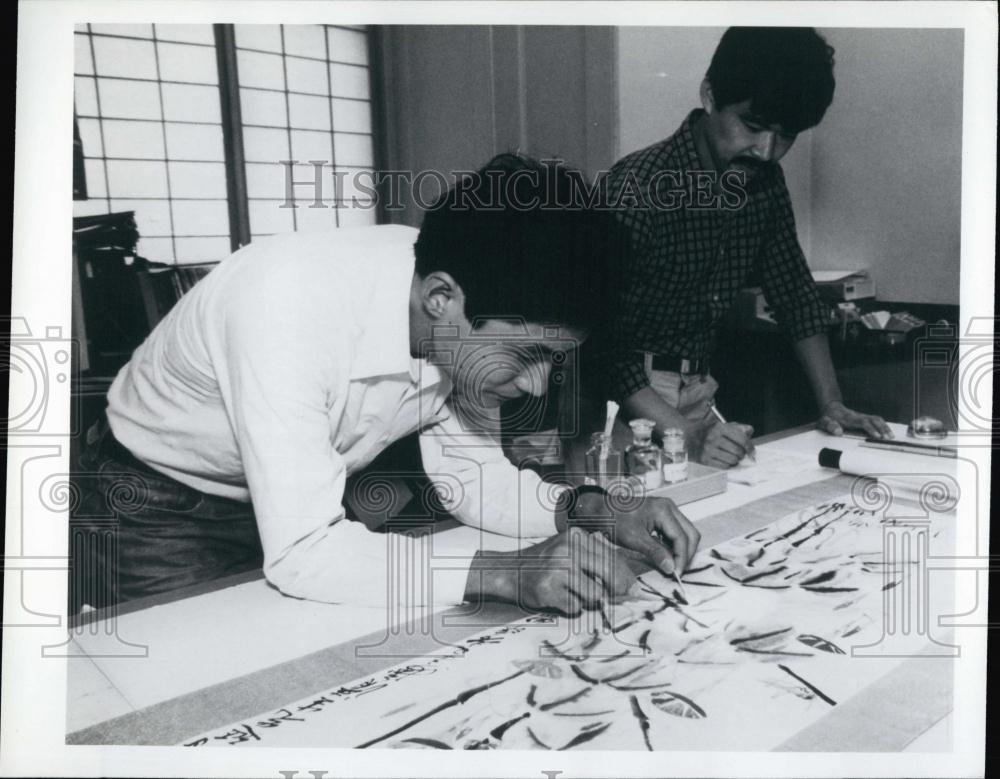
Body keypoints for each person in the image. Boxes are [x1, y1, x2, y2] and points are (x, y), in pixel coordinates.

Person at [70, 154, 701, 616]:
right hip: (154, 506)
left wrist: (593, 509)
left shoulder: (444, 307)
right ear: (441, 298)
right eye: (530, 353)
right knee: (189, 710)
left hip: (297, 501)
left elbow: (472, 478)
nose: (537, 383)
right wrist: (508, 571)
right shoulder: (286, 306)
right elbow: (305, 555)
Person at [603, 27, 893, 469]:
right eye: (753, 126)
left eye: (786, 135)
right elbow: (603, 345)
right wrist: (683, 434)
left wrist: (833, 404)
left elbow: (794, 292)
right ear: (709, 95)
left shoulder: (765, 184)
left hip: (698, 390)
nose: (766, 151)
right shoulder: (638, 186)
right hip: (628, 406)